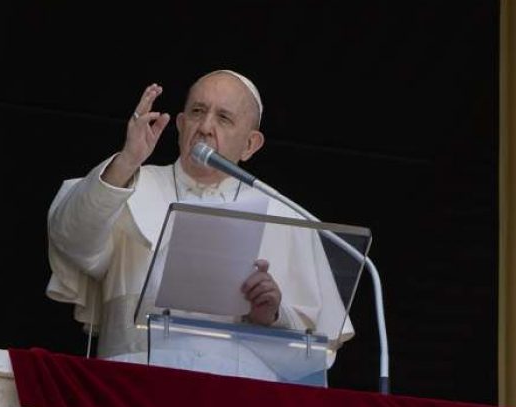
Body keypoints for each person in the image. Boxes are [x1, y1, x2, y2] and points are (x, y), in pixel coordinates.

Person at [46, 70, 352, 377]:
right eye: (197, 112)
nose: (205, 127)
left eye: (223, 118)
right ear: (179, 125)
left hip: (240, 400)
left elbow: (314, 355)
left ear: (250, 145)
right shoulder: (129, 184)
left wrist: (272, 315)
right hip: (131, 384)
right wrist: (128, 159)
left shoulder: (283, 216)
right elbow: (72, 241)